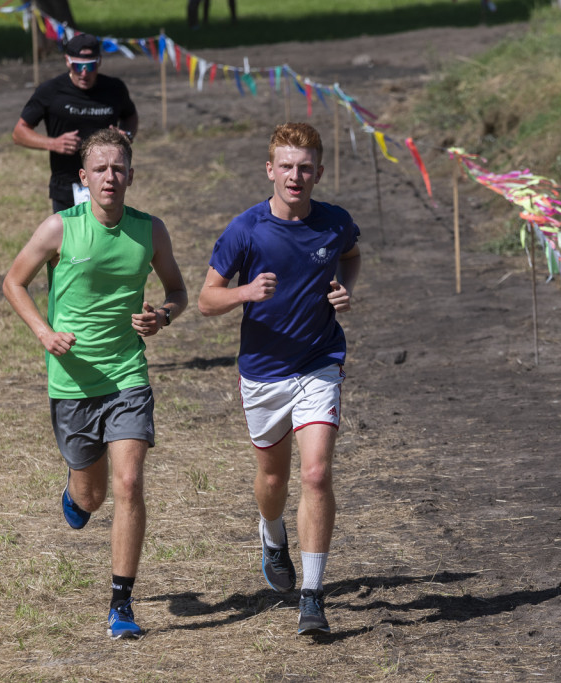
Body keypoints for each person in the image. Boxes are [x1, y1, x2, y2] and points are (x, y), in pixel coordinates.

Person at [3, 128, 187, 639]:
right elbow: (13, 281)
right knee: (93, 497)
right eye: (100, 169)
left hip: (128, 374)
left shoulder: (150, 231)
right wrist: (44, 332)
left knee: (129, 482)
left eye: (119, 168)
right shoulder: (59, 229)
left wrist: (163, 317)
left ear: (131, 174)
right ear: (83, 178)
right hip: (73, 383)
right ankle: (75, 492)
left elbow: (177, 290)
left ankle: (121, 604)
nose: (111, 177)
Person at [197, 122, 361, 635]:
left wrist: (343, 288)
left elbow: (352, 255)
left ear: (318, 171)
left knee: (316, 474)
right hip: (264, 372)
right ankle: (271, 534)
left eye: (305, 167)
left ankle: (312, 595)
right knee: (274, 480)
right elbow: (205, 300)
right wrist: (245, 295)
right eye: (286, 166)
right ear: (270, 170)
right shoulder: (246, 230)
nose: (296, 176)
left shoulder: (335, 223)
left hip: (318, 361)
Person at [12, 33, 139, 213]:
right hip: (66, 186)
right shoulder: (51, 91)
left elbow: (130, 116)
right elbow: (19, 133)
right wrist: (53, 143)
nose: (84, 72)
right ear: (67, 61)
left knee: (105, 239)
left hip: (107, 184)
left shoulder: (114, 89)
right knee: (70, 241)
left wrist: (126, 135)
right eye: (78, 66)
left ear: (100, 61)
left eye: (90, 65)